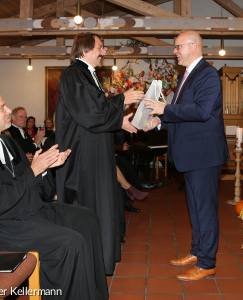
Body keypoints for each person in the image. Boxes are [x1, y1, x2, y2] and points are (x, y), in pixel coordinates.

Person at [0, 91, 109, 300]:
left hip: (29, 210)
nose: (9, 110)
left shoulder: (8, 143)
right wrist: (35, 170)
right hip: (1, 226)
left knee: (87, 219)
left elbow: (41, 192)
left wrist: (46, 168)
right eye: (2, 108)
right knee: (69, 242)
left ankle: (93, 295)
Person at [55, 32, 145, 275]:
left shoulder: (88, 75)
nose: (103, 52)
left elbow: (98, 113)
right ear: (84, 49)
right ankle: (88, 260)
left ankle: (100, 256)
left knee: (103, 201)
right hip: (83, 158)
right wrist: (121, 100)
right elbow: (90, 113)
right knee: (89, 204)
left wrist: (120, 122)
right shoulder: (73, 74)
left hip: (94, 151)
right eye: (100, 47)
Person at [145, 31, 230, 281]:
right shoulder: (187, 75)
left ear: (193, 46)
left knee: (205, 209)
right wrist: (159, 124)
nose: (175, 51)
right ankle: (197, 251)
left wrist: (165, 109)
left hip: (203, 155)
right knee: (195, 208)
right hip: (192, 155)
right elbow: (183, 116)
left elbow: (202, 111)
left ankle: (207, 263)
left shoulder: (208, 74)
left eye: (178, 47)